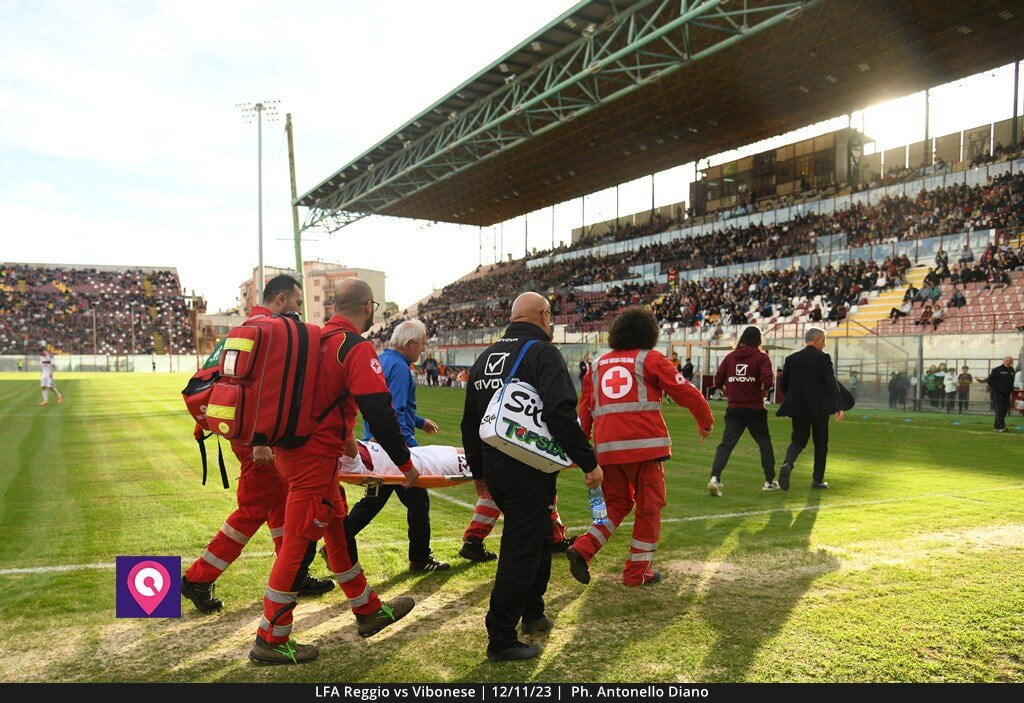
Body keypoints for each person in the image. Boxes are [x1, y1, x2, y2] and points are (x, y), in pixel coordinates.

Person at [251, 278, 418, 665]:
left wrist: (346, 443)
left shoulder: (313, 341)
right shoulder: (353, 348)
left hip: (294, 452)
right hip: (313, 459)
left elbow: (325, 401)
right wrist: (404, 463)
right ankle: (271, 638)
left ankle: (367, 610)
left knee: (337, 529)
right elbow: (379, 409)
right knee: (298, 544)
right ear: (369, 307)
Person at [461, 292, 602, 662]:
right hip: (527, 464)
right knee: (520, 549)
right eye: (551, 316)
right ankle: (501, 636)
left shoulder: (485, 357)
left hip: (495, 463)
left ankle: (533, 610)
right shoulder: (543, 353)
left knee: (538, 535)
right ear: (543, 315)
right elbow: (559, 413)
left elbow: (469, 420)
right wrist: (588, 462)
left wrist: (479, 472)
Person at [182, 275, 334, 614]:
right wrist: (259, 442)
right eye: (296, 303)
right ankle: (198, 577)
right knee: (254, 509)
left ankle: (295, 572)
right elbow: (264, 388)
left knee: (282, 505)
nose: (297, 311)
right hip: (257, 440)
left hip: (248, 435)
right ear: (281, 300)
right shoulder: (269, 330)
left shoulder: (246, 328)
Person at [572, 306, 712, 586]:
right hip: (645, 450)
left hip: (608, 451)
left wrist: (581, 454)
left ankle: (583, 548)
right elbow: (686, 392)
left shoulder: (596, 366)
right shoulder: (650, 359)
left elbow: (584, 413)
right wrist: (705, 421)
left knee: (617, 504)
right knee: (649, 508)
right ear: (649, 333)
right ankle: (638, 572)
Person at [348, 319, 449, 573]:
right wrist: (410, 450)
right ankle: (420, 558)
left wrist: (420, 421)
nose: (423, 349)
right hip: (392, 447)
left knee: (373, 501)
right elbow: (396, 411)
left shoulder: (384, 361)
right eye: (422, 344)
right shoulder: (401, 368)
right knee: (418, 502)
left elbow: (385, 406)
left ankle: (337, 542)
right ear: (411, 343)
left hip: (377, 442)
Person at [705, 325, 774, 495]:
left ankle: (715, 478)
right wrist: (763, 392)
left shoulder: (730, 357)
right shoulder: (761, 357)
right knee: (764, 444)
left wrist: (724, 391)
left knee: (726, 444)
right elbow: (768, 382)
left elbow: (718, 379)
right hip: (754, 409)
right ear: (759, 340)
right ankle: (769, 481)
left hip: (734, 408)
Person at [776, 327, 844, 490]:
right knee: (821, 443)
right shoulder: (823, 358)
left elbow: (784, 385)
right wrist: (838, 406)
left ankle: (788, 463)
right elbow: (830, 383)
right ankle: (817, 480)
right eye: (824, 341)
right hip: (819, 408)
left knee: (798, 440)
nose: (825, 345)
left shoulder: (791, 359)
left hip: (798, 407)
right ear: (818, 340)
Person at [983, 356, 1016, 432]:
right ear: (1004, 361)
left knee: (1004, 411)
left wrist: (1011, 389)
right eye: (1007, 360)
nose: (1008, 362)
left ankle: (996, 427)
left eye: (1010, 361)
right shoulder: (997, 370)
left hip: (1007, 395)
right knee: (999, 411)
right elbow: (990, 381)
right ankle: (1001, 426)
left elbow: (1012, 382)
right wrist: (998, 389)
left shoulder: (1012, 370)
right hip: (997, 394)